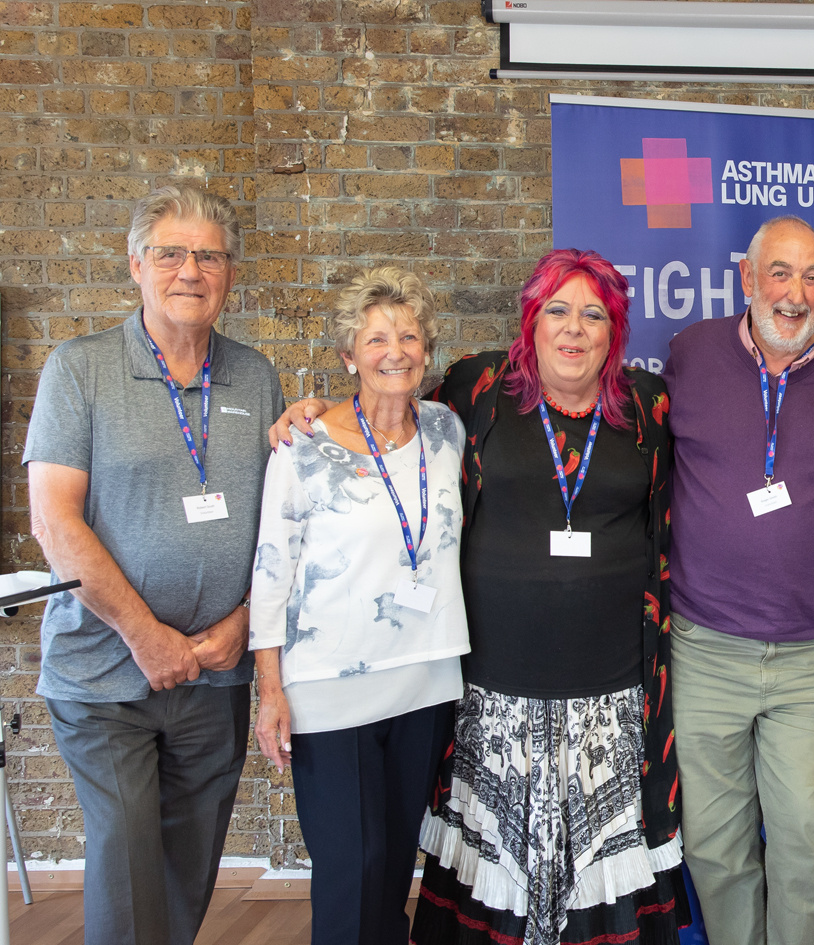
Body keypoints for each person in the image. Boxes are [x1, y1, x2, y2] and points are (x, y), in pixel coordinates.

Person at [270, 249, 688, 945]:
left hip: (608, 695)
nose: (574, 329)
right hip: (495, 693)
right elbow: (389, 416)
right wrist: (314, 411)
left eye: (593, 314)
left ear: (615, 329)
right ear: (531, 321)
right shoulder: (479, 386)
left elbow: (668, 526)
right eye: (557, 310)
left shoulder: (649, 407)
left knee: (597, 881)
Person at [24, 184, 284, 945]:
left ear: (230, 273)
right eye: (170, 252)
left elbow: (279, 522)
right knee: (128, 863)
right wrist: (145, 634)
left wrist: (242, 623)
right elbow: (54, 519)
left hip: (214, 674)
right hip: (106, 673)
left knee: (186, 867)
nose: (190, 270)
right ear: (136, 264)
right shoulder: (80, 371)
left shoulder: (254, 374)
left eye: (208, 254)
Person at [660, 215, 814, 945]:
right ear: (748, 279)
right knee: (714, 844)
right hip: (704, 648)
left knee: (806, 840)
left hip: (811, 657)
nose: (796, 293)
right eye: (781, 273)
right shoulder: (691, 354)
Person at [250, 268, 469, 945]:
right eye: (376, 339)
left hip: (425, 678)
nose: (394, 350)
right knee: (351, 865)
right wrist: (270, 689)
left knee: (394, 865)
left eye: (409, 335)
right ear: (349, 356)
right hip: (330, 683)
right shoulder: (303, 443)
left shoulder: (447, 430)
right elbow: (271, 568)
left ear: (427, 352)